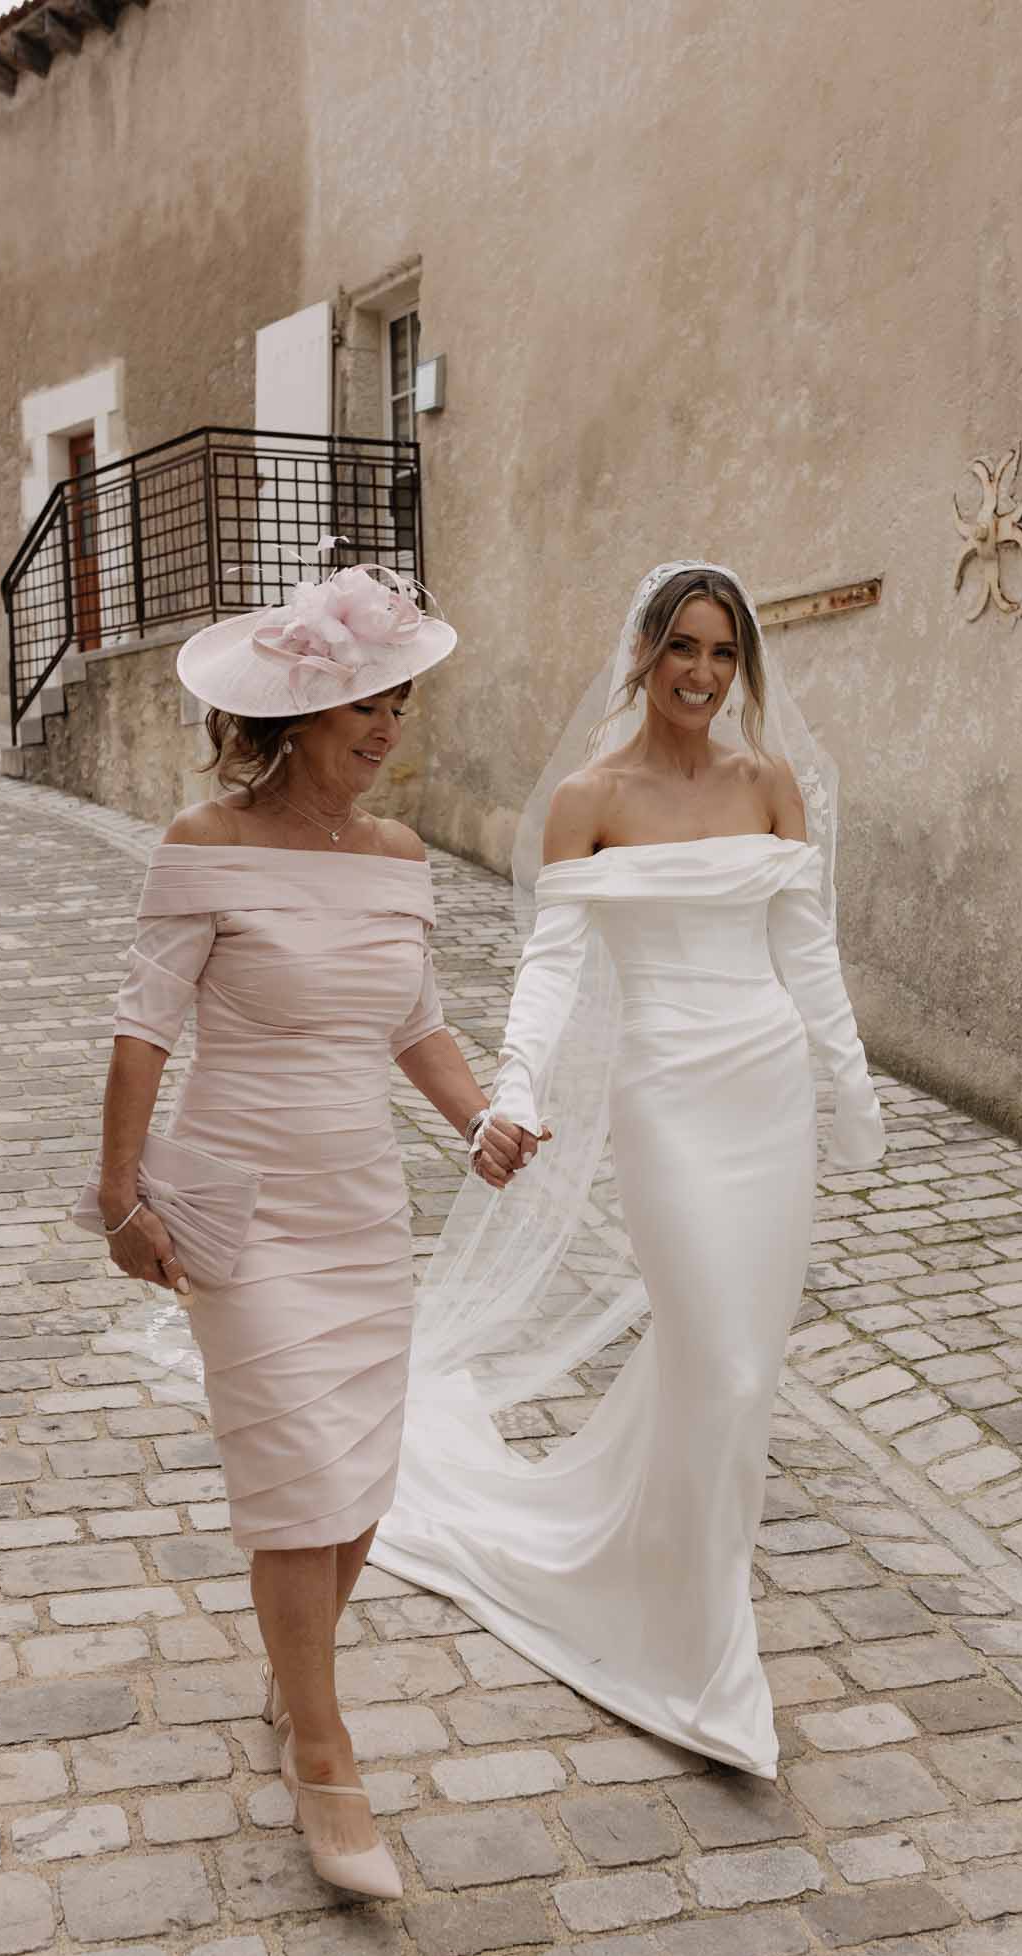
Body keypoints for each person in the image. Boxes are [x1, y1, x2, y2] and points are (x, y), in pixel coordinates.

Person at [372, 561, 886, 1779]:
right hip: (665, 1099)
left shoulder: (771, 784)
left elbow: (804, 952)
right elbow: (553, 965)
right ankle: (701, 1648)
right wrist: (515, 1089)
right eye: (681, 651)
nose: (701, 675)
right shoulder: (588, 798)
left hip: (766, 1093)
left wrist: (850, 1085)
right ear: (643, 656)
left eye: (722, 653)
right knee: (718, 1348)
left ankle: (698, 1603)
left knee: (741, 1370)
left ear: (742, 665)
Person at [93, 564, 529, 1896]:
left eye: (396, 708)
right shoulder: (202, 846)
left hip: (357, 1206)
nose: (387, 734)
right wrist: (120, 1199)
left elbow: (411, 1022)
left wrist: (475, 1121)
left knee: (357, 1491)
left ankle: (296, 1676)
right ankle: (322, 1751)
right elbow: (142, 1027)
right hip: (238, 1199)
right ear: (293, 718)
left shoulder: (397, 862)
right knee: (295, 1481)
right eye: (363, 711)